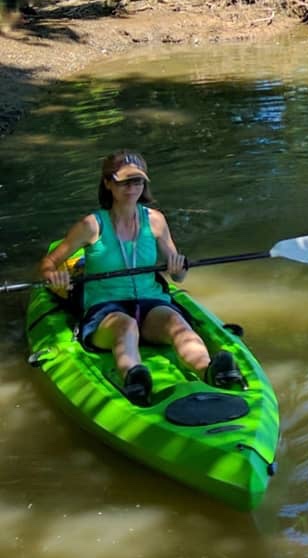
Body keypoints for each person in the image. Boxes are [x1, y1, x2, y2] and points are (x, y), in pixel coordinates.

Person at [38, 150, 242, 406]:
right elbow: (49, 263)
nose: (132, 187)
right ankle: (135, 381)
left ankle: (209, 369)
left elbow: (178, 276)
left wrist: (177, 267)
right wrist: (52, 276)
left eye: (137, 181)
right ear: (108, 183)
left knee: (176, 322)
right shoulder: (91, 226)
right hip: (106, 312)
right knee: (126, 326)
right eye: (124, 181)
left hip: (150, 303)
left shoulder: (155, 221)